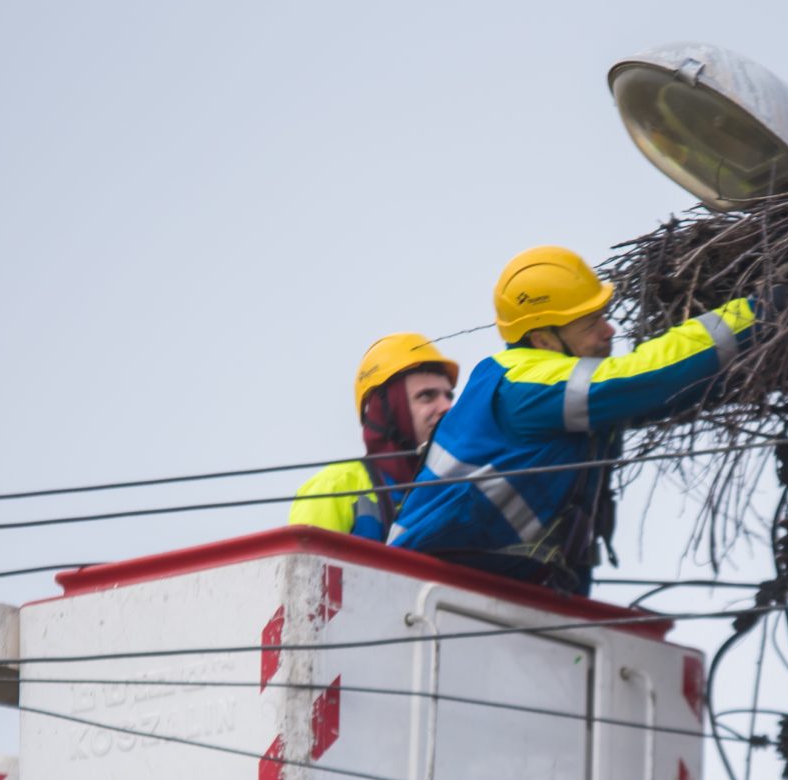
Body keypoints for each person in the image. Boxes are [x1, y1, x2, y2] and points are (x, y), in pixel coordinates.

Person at [387, 245, 758, 592]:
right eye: (590, 321)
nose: (608, 330)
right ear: (544, 340)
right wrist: (756, 314)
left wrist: (753, 368)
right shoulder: (523, 385)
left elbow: (668, 398)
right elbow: (646, 378)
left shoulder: (548, 393)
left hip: (485, 588)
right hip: (426, 585)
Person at [285, 333, 460, 540]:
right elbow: (306, 569)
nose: (447, 407)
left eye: (448, 396)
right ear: (386, 410)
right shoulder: (333, 488)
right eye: (426, 396)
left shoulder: (455, 491)